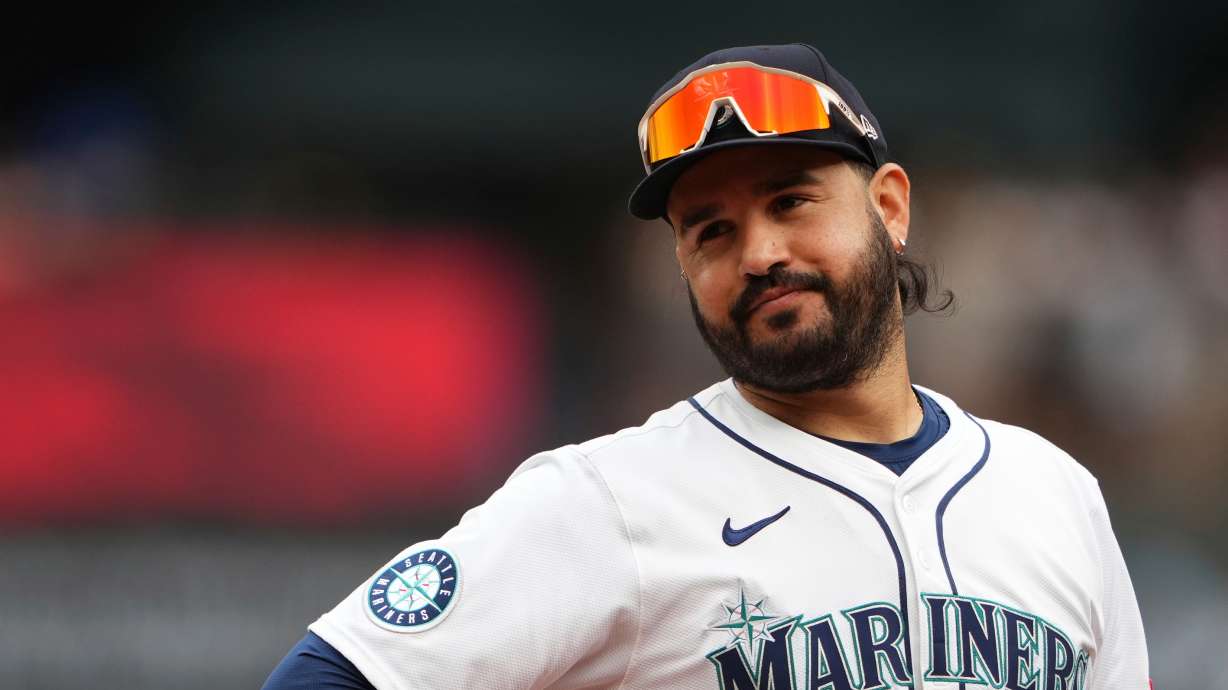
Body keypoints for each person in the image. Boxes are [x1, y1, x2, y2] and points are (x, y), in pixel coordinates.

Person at [264, 43, 1149, 690]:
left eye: (791, 200)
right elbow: (336, 675)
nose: (759, 252)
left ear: (889, 207)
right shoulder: (611, 502)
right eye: (712, 230)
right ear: (685, 266)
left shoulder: (1054, 493)